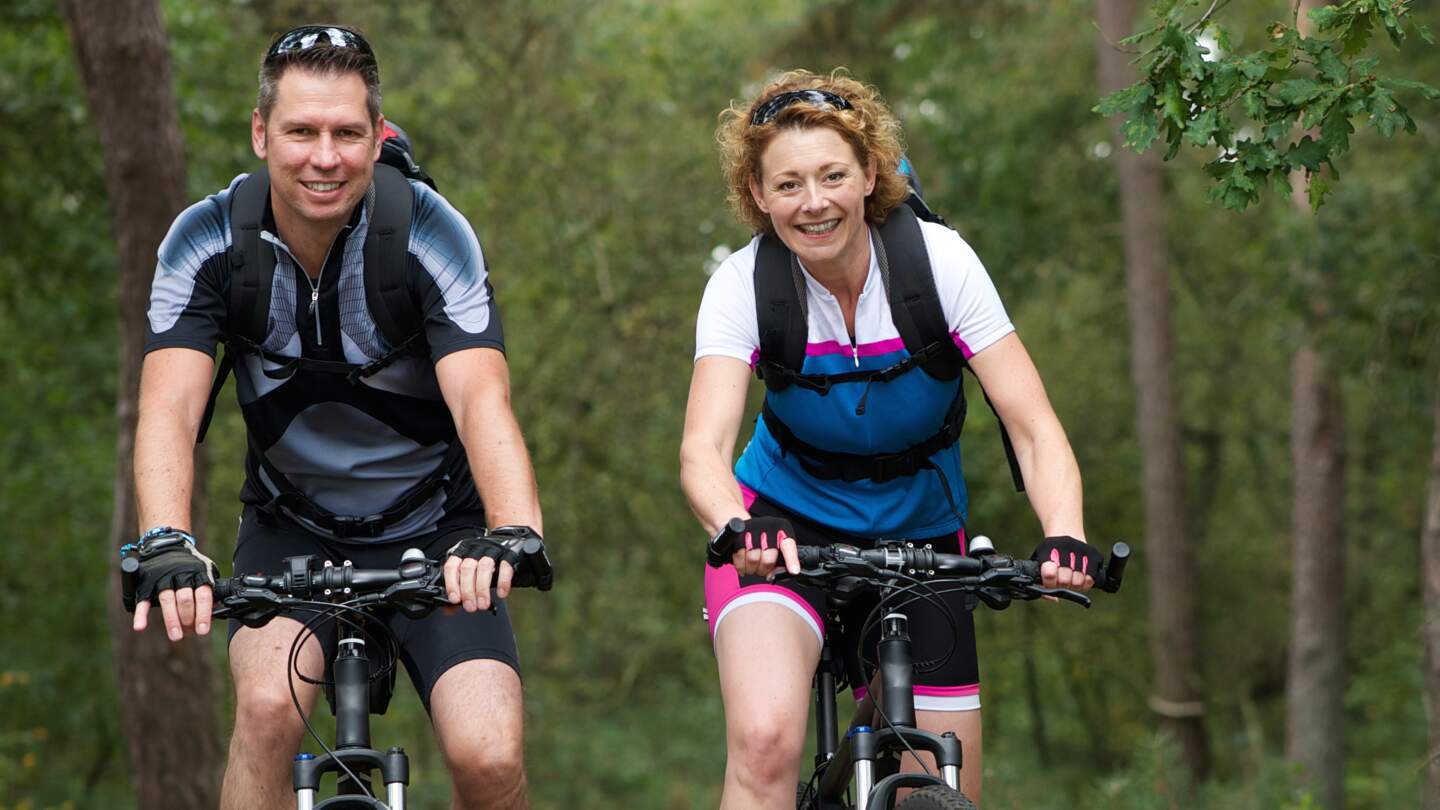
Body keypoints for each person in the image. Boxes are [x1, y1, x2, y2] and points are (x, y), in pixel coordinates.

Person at [127, 25, 542, 810]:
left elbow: (482, 397)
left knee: (488, 756)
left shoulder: (430, 231)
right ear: (260, 132)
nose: (325, 156)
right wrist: (165, 540)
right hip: (293, 529)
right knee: (264, 710)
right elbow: (168, 409)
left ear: (377, 136)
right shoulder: (206, 239)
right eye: (301, 132)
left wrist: (512, 529)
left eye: (348, 133)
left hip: (438, 529)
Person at [680, 69, 1102, 808]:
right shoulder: (743, 285)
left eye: (833, 175)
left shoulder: (940, 264)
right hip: (782, 529)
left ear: (870, 173)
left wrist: (1064, 533)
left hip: (924, 536)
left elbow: (1034, 428)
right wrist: (736, 525)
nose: (814, 202)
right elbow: (702, 451)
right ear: (756, 194)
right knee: (765, 742)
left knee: (942, 780)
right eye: (788, 185)